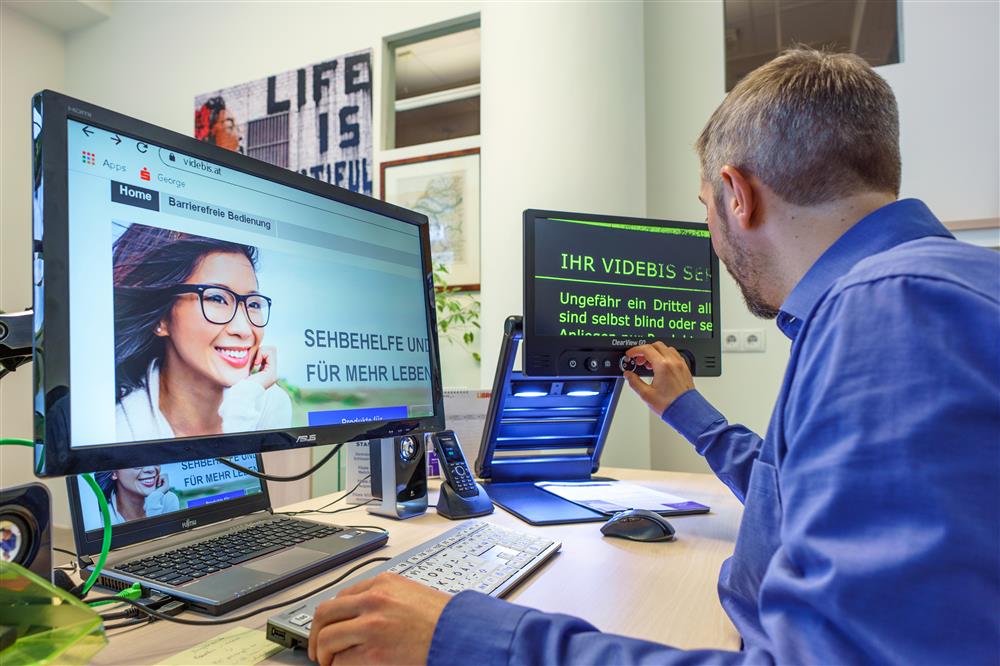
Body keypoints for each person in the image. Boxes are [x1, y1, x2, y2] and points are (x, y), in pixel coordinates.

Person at [305, 47, 1000, 665]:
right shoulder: (920, 293)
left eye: (705, 207)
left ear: (737, 193)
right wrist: (688, 410)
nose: (711, 233)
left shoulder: (894, 311)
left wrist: (465, 637)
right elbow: (801, 498)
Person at [113, 224, 291, 441]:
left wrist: (243, 405)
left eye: (253, 304)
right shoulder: (118, 424)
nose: (244, 330)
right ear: (162, 318)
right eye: (217, 298)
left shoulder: (267, 405)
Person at [94, 466, 180, 525]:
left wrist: (154, 500)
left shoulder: (168, 500)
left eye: (155, 460)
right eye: (137, 463)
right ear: (114, 473)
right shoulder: (100, 517)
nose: (151, 469)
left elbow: (162, 541)